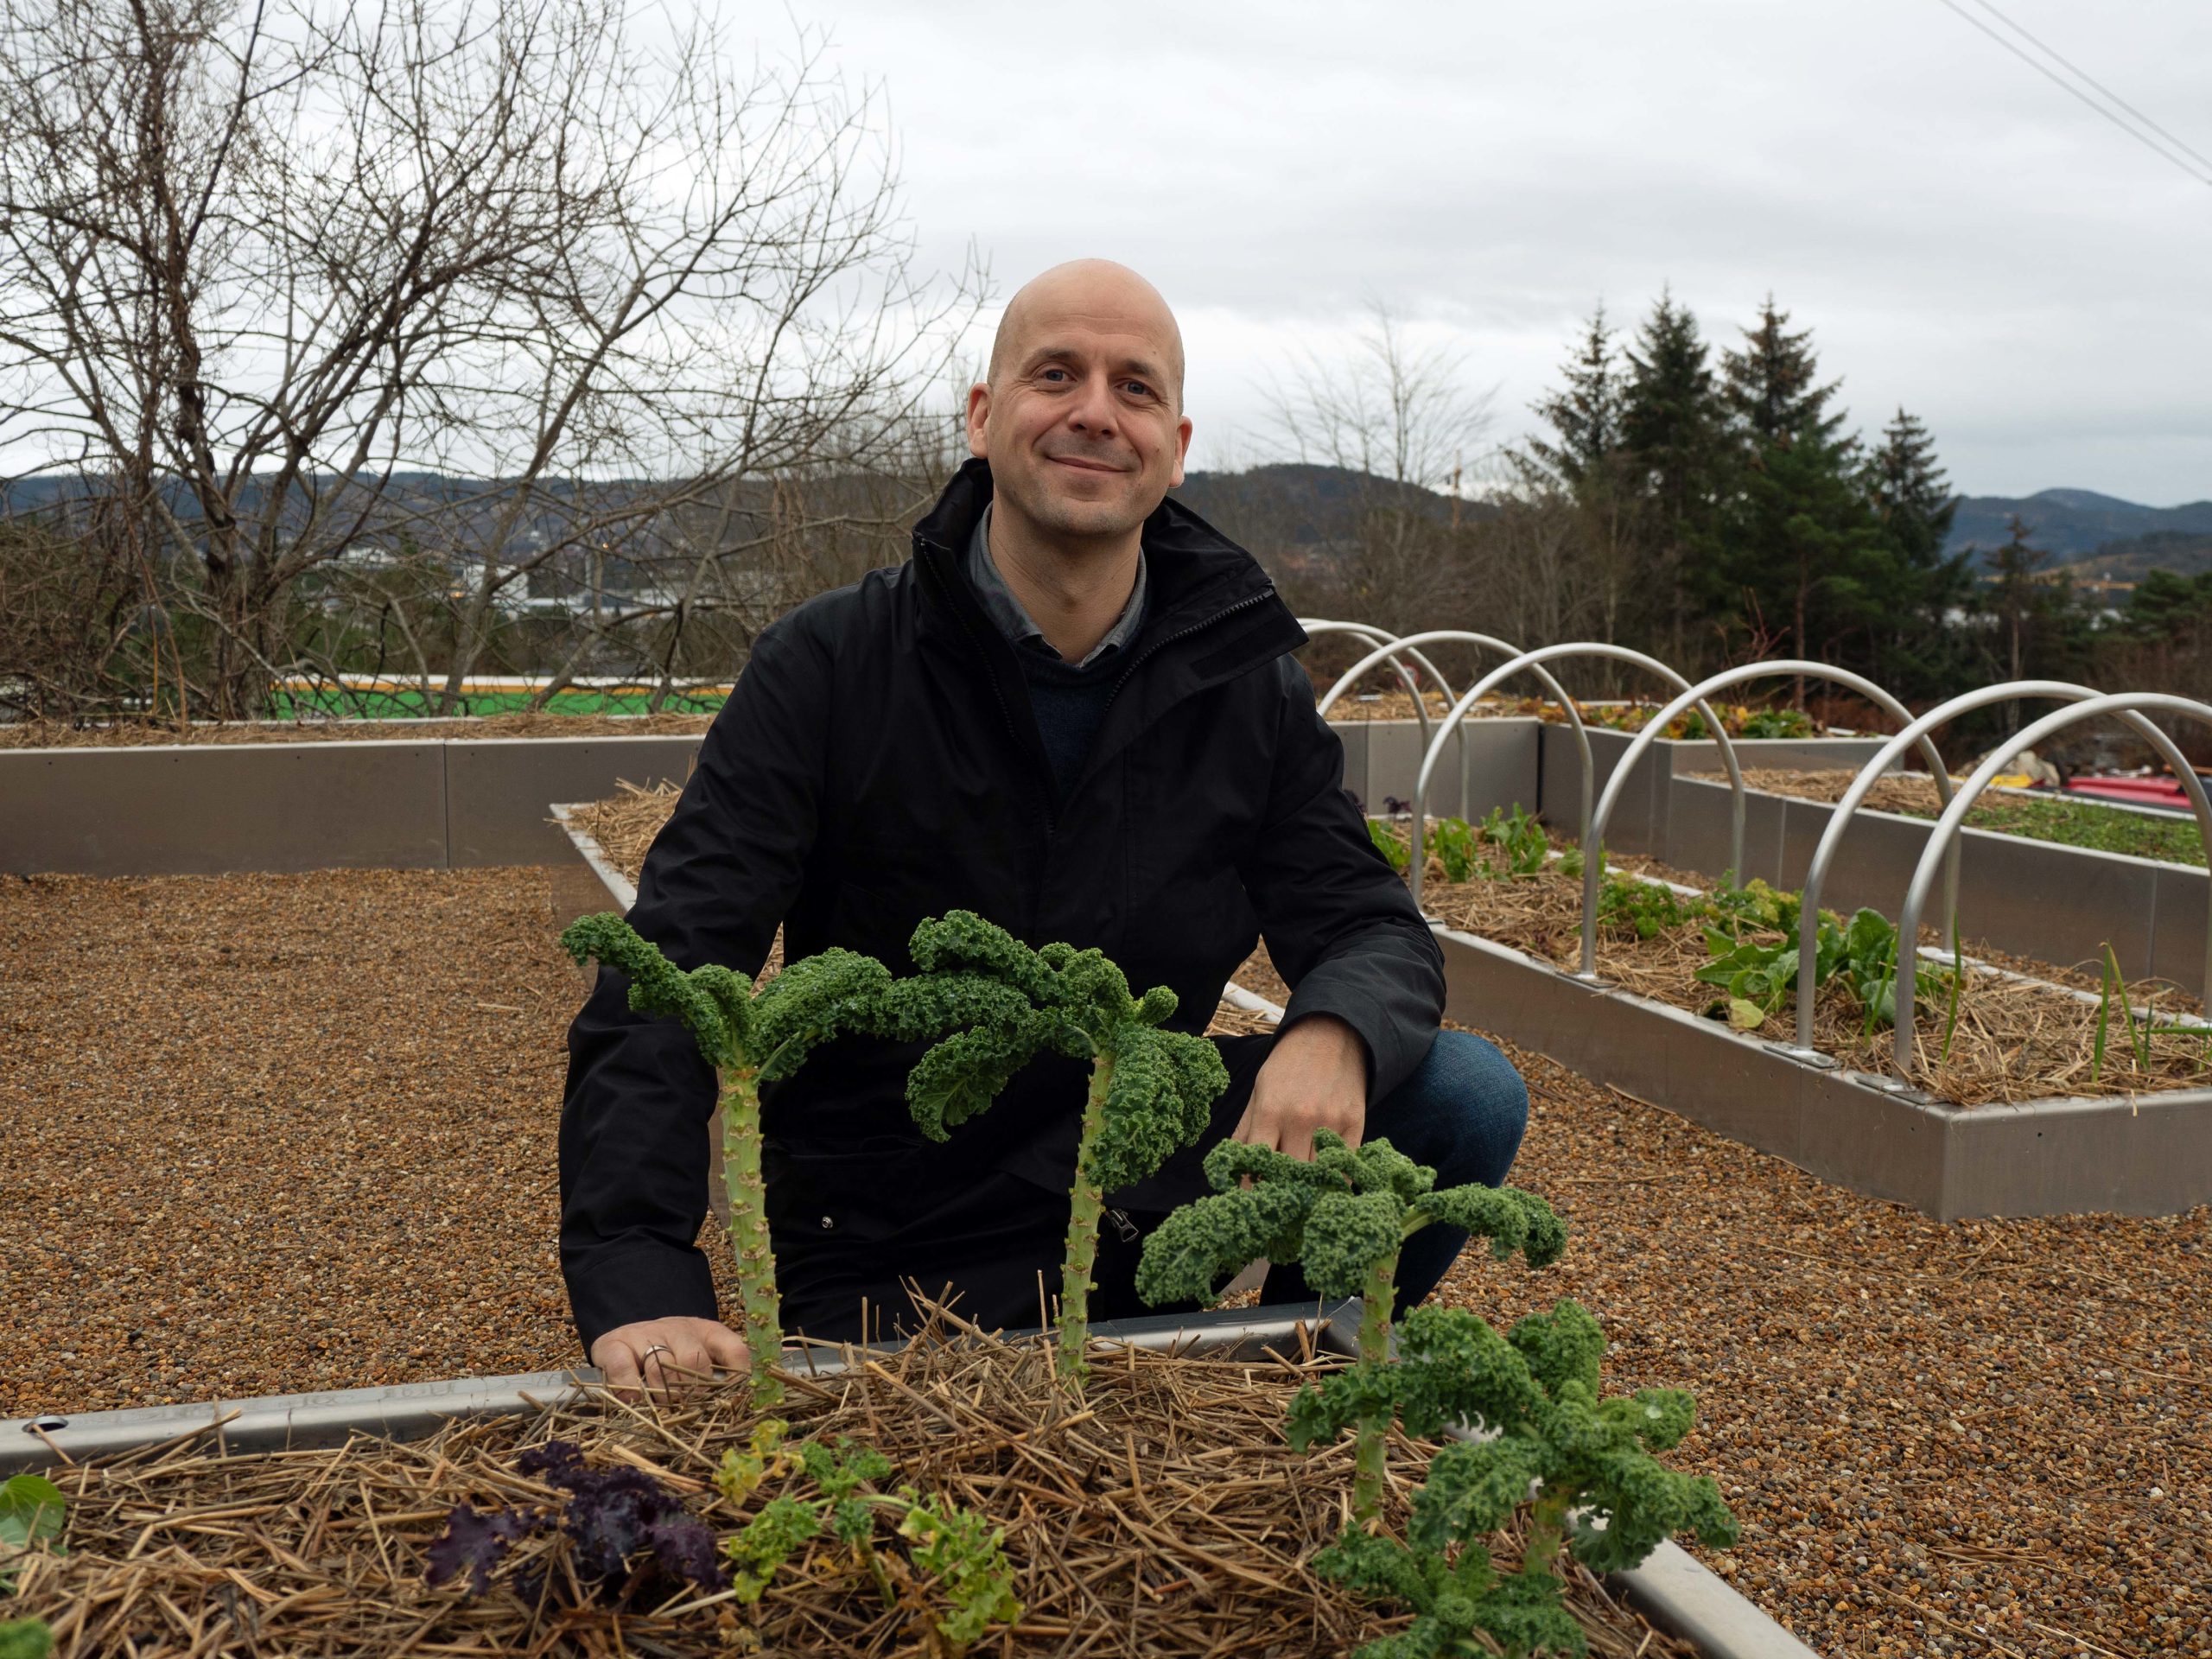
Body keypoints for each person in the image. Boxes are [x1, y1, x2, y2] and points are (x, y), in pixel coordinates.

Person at [559, 259, 1529, 1396]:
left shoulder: (1241, 682)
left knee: (1459, 1095)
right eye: (1055, 374)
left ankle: (1292, 1379)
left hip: (1129, 1182)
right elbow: (677, 959)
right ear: (983, 417)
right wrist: (637, 1270)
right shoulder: (831, 666)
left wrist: (1336, 1031)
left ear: (1175, 442)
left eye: (1134, 387)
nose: (1093, 413)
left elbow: (1369, 919)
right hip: (886, 1217)